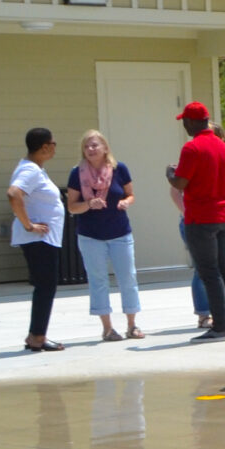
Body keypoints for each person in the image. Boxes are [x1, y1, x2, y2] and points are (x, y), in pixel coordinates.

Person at [167, 101, 225, 340]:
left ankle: (221, 327)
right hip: (224, 216)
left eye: (185, 121)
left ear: (191, 122)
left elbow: (181, 183)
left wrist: (170, 173)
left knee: (209, 272)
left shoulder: (192, 148)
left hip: (200, 217)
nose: (184, 126)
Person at [65, 129, 143, 340]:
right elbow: (72, 207)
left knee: (127, 278)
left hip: (120, 233)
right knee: (98, 280)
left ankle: (132, 325)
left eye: (94, 145)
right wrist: (89, 204)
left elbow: (131, 195)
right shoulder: (77, 173)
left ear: (105, 148)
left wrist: (126, 202)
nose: (90, 149)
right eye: (86, 146)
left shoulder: (119, 169)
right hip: (90, 236)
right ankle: (107, 328)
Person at [7, 128, 67, 353]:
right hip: (38, 239)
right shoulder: (30, 170)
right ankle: (37, 337)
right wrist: (29, 225)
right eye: (54, 143)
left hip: (44, 239)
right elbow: (14, 194)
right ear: (44, 147)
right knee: (45, 287)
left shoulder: (35, 169)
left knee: (45, 286)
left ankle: (35, 334)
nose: (55, 147)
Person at [187, 124, 225, 330]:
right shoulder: (195, 157)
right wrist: (188, 212)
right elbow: (176, 190)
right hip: (200, 221)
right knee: (204, 269)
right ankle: (206, 314)